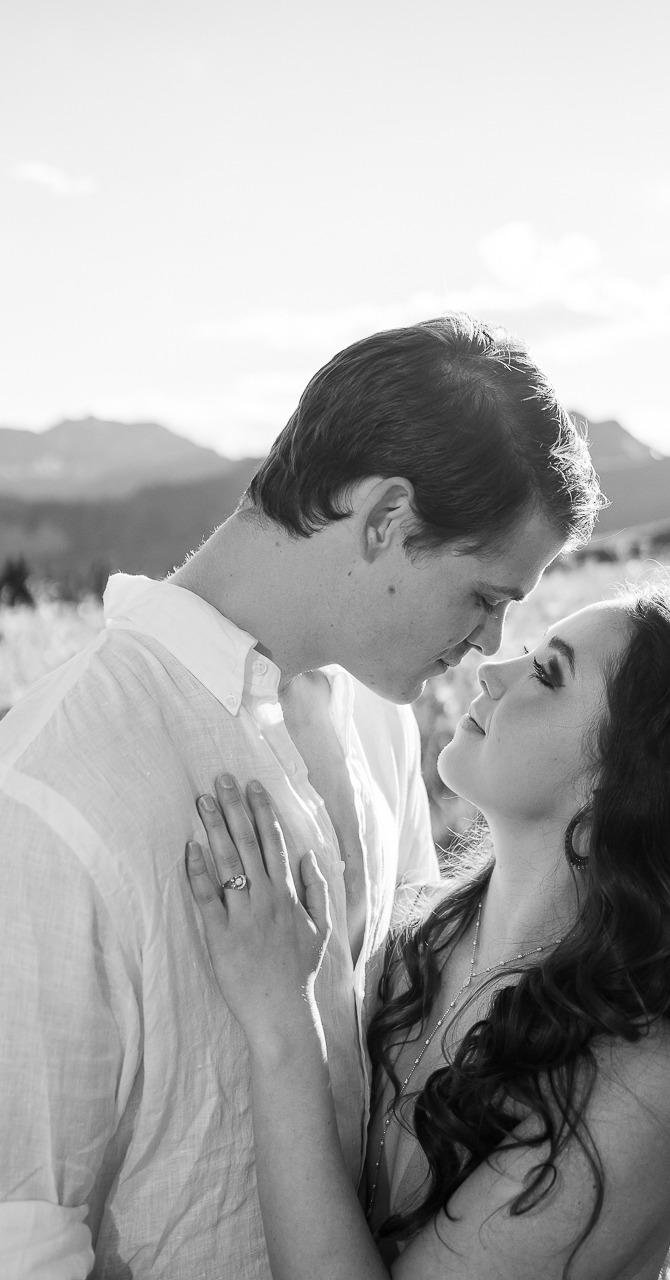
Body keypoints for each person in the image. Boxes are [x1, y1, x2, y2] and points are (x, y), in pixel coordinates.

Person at [0, 314, 602, 1279]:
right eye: (485, 595)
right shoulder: (47, 794)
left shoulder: (379, 720)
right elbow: (22, 1241)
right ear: (384, 521)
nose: (491, 642)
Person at [187, 572, 670, 1280]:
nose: (493, 667)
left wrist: (280, 1022)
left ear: (627, 783)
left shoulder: (646, 1079)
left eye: (545, 672)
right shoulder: (421, 937)